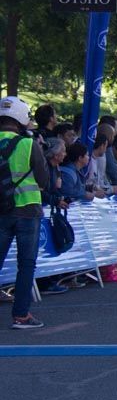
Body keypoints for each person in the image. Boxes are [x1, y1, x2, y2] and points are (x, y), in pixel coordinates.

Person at [0, 97, 50, 329]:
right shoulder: (28, 144)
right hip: (28, 210)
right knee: (26, 264)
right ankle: (21, 316)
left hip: (1, 211)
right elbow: (43, 179)